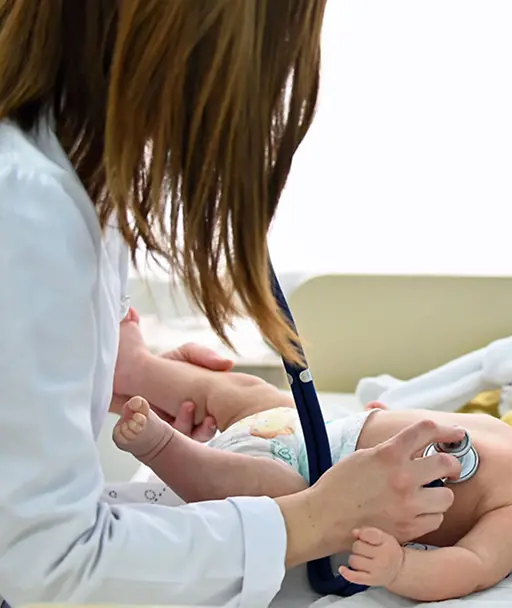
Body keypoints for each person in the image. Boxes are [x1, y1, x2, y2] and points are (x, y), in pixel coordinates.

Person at [0, 2, 464, 606]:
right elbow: (50, 567)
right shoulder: (26, 205)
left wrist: (104, 362)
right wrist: (314, 520)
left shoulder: (55, 176)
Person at [111, 309, 512, 602]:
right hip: (308, 429)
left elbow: (469, 567)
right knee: (245, 392)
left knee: (259, 488)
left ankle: (164, 448)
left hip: (311, 484)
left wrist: (399, 569)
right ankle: (136, 369)